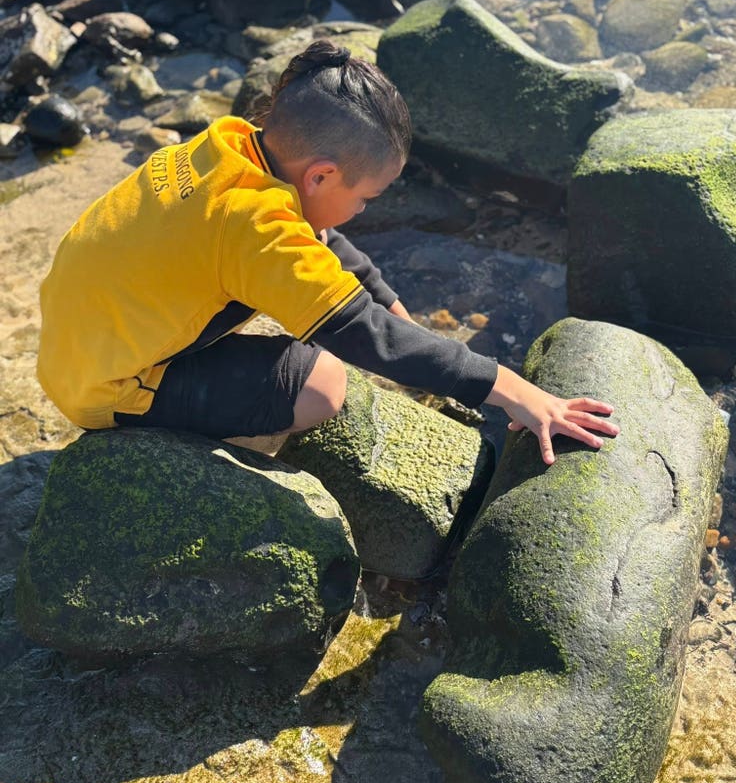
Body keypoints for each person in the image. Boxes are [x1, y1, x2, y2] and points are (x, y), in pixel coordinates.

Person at [37, 40, 619, 466]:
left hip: (78, 333)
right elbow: (367, 337)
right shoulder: (257, 230)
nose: (364, 211)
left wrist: (386, 299)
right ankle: (161, 447)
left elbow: (319, 242)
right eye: (365, 198)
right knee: (323, 387)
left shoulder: (233, 146)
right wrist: (518, 392)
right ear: (320, 176)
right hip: (103, 382)